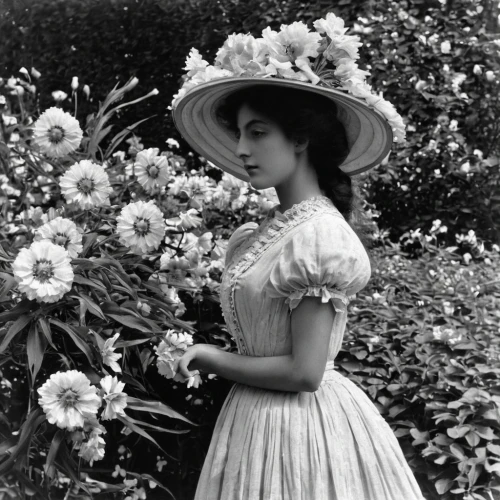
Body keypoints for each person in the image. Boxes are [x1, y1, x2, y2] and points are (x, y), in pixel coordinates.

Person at [170, 13, 425, 499]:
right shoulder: (263, 234)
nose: (242, 149)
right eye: (240, 133)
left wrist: (210, 358)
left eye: (258, 132)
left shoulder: (320, 238)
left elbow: (305, 372)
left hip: (300, 433)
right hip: (253, 425)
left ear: (301, 139)